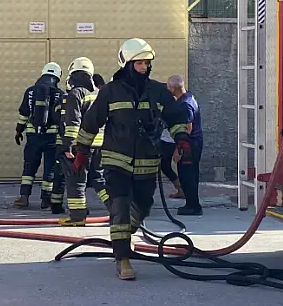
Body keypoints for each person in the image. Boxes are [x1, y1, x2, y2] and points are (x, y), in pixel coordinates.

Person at [74, 38, 193, 280]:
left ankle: (123, 239)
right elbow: (90, 123)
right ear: (127, 64)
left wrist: (181, 138)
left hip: (148, 163)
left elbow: (175, 117)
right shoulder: (110, 91)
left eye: (147, 63)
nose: (145, 67)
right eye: (139, 63)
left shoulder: (158, 91)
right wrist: (81, 151)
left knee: (143, 205)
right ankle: (123, 258)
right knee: (120, 205)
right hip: (116, 161)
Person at [56, 57, 110, 226]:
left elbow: (73, 122)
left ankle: (77, 217)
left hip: (81, 146)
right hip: (99, 144)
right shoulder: (96, 93)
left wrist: (69, 145)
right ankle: (118, 210)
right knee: (98, 179)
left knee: (76, 179)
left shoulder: (75, 94)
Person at [13, 62, 64, 209]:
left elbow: (24, 114)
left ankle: (24, 197)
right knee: (50, 169)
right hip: (52, 138)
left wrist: (18, 131)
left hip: (33, 136)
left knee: (29, 166)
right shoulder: (60, 94)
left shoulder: (30, 91)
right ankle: (45, 200)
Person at [168, 74, 204, 216]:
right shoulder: (189, 97)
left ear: (172, 89)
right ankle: (191, 203)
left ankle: (193, 206)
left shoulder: (185, 105)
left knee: (186, 175)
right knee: (191, 174)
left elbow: (187, 130)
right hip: (194, 143)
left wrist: (178, 151)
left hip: (189, 145)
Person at [159, 128, 182, 199]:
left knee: (165, 167)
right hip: (164, 140)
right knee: (165, 167)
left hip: (168, 141)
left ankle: (181, 189)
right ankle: (180, 189)